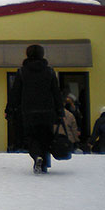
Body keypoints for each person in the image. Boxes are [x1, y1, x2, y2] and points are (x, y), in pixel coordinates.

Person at [6, 44, 63, 174]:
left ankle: (37, 156)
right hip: (47, 111)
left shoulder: (22, 72)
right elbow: (56, 93)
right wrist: (60, 110)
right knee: (46, 136)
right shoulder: (49, 71)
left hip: (28, 111)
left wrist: (10, 108)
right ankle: (44, 163)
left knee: (31, 137)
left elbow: (15, 92)